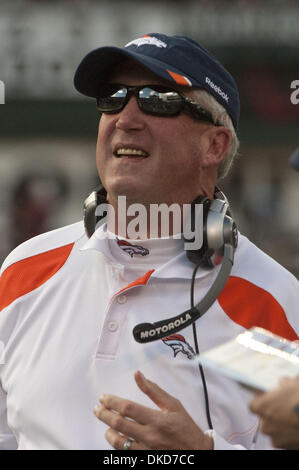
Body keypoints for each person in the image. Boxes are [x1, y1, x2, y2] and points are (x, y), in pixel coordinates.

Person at [0, 33, 298, 451]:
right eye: (113, 96)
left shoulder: (276, 302)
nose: (126, 117)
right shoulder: (21, 272)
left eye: (159, 99)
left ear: (214, 145)